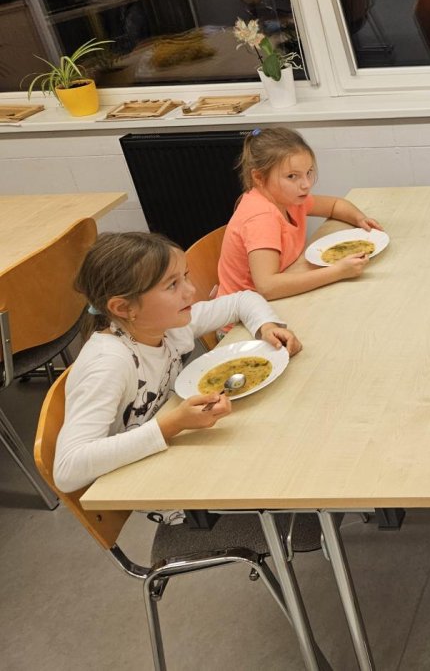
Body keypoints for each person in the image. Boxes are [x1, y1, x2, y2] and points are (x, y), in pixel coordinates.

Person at [54, 232, 303, 493]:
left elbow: (242, 300)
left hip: (177, 456)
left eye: (185, 276)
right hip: (143, 488)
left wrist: (266, 326)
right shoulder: (108, 364)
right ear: (123, 308)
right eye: (172, 285)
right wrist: (173, 424)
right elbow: (68, 469)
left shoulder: (166, 324)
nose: (191, 290)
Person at [217, 127, 383, 300]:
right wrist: (337, 272)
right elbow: (267, 287)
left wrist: (359, 218)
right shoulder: (262, 218)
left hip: (277, 294)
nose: (306, 184)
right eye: (292, 176)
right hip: (243, 312)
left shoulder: (288, 199)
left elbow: (335, 205)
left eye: (309, 172)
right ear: (259, 177)